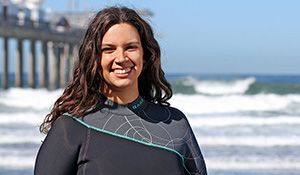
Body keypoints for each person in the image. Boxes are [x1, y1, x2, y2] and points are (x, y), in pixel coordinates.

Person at [34, 6, 207, 175]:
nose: (121, 58)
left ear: (145, 55)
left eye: (131, 47)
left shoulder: (175, 124)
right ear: (94, 57)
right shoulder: (71, 128)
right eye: (108, 49)